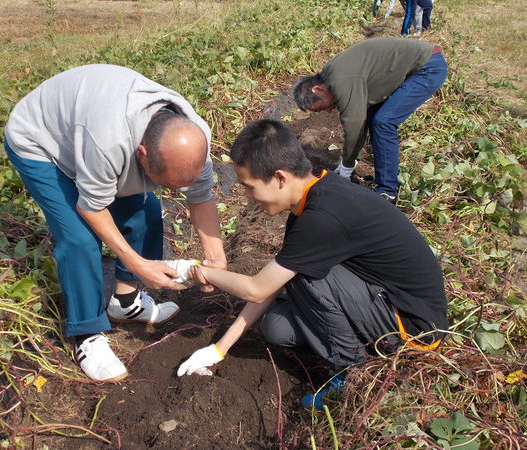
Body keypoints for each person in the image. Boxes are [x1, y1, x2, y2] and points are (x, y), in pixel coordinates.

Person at [177, 120, 448, 409]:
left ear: (280, 178)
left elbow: (257, 289)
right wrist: (219, 349)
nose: (249, 197)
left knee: (302, 276)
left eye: (250, 187)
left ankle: (352, 375)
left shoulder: (322, 217)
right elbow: (268, 288)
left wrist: (203, 272)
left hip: (414, 328)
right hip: (383, 303)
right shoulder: (314, 196)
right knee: (277, 326)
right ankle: (361, 348)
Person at [4, 64, 226, 382]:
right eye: (163, 182)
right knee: (80, 238)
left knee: (148, 209)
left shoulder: (193, 139)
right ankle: (85, 335)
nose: (171, 192)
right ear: (142, 154)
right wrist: (136, 263)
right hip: (41, 141)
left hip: (92, 127)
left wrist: (215, 257)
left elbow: (201, 198)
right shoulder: (107, 143)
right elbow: (92, 208)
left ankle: (125, 301)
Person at [293, 37, 447, 203]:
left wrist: (347, 166)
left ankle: (387, 192)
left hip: (427, 67)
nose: (328, 110)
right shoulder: (332, 75)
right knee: (374, 116)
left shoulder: (340, 80)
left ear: (317, 89)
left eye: (320, 108)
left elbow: (354, 122)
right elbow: (361, 116)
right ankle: (386, 181)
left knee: (383, 121)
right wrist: (351, 161)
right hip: (421, 63)